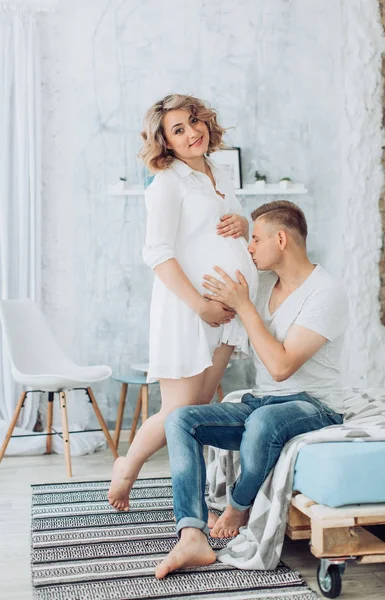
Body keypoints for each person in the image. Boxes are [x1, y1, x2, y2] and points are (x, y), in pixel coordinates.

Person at [154, 200, 349, 579]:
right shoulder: (260, 286)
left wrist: (244, 307)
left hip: (316, 406)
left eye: (256, 239)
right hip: (262, 403)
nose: (250, 247)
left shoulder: (326, 292)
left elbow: (280, 367)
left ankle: (239, 504)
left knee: (263, 421)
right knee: (180, 420)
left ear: (281, 238)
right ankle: (191, 533)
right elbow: (225, 311)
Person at [108, 94, 258, 510]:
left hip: (227, 310)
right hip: (191, 309)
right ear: (166, 142)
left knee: (199, 410)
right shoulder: (168, 182)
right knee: (180, 411)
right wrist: (200, 305)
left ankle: (197, 493)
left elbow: (230, 224)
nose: (192, 132)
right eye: (179, 129)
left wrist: (243, 222)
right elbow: (157, 253)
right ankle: (129, 466)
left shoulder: (219, 171)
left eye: (195, 121)